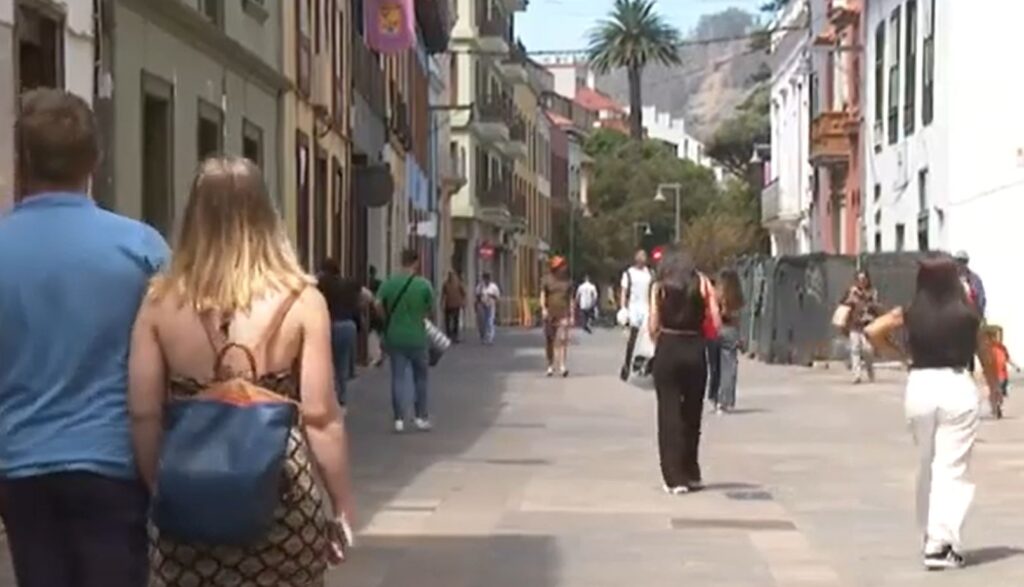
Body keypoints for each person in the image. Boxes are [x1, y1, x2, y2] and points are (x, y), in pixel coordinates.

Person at [128, 157, 355, 586]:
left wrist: (159, 485)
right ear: (267, 216)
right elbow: (322, 417)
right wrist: (341, 506)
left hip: (191, 500)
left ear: (193, 217)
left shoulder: (159, 303)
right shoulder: (302, 300)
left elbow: (143, 414)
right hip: (282, 497)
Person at [0, 89, 168, 587]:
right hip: (115, 462)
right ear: (96, 158)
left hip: (20, 464)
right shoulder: (141, 248)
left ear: (23, 158)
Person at [866, 254, 1001, 570]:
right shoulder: (969, 315)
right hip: (956, 387)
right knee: (951, 467)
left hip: (920, 386)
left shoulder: (911, 313)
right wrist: (994, 389)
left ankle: (929, 534)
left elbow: (873, 331)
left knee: (928, 463)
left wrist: (900, 355)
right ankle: (941, 545)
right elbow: (985, 353)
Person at [648, 247, 721, 495]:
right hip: (694, 348)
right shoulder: (702, 283)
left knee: (668, 413)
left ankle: (674, 477)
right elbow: (716, 320)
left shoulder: (660, 287)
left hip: (668, 347)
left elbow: (653, 324)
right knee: (692, 413)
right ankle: (692, 471)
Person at [377, 248, 435, 433]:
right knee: (421, 379)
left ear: (401, 261)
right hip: (418, 337)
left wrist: (386, 318)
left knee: (398, 377)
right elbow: (431, 308)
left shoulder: (389, 283)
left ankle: (399, 419)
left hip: (395, 336)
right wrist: (421, 316)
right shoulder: (424, 285)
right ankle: (420, 417)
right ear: (416, 263)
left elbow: (377, 304)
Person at [318, 258, 366, 408]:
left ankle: (328, 397)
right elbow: (367, 296)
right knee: (342, 364)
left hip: (328, 326)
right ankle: (342, 399)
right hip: (348, 325)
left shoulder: (321, 285)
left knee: (325, 363)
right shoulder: (349, 284)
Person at [713, 269, 745, 414]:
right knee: (729, 367)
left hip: (716, 329)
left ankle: (714, 396)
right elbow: (738, 317)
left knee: (715, 366)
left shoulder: (716, 294)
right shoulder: (737, 296)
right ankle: (724, 400)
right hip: (731, 330)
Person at [619, 249, 654, 381]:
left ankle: (645, 367)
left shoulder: (649, 273)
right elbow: (624, 291)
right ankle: (627, 365)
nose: (642, 258)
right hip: (634, 307)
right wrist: (623, 308)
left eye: (644, 256)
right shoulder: (628, 273)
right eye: (640, 256)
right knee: (632, 339)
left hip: (646, 307)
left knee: (648, 339)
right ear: (635, 258)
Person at [843, 270, 882, 384]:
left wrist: (864, 298)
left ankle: (870, 372)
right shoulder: (852, 291)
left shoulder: (872, 292)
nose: (861, 282)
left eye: (863, 279)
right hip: (854, 325)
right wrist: (850, 299)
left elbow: (876, 305)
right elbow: (844, 303)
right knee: (855, 350)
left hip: (867, 325)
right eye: (859, 279)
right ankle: (857, 376)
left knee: (868, 350)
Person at [541, 256, 574, 377]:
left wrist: (572, 314)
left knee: (563, 340)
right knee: (550, 340)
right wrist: (544, 309)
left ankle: (562, 366)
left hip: (563, 312)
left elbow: (571, 299)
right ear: (555, 268)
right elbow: (543, 295)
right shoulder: (547, 280)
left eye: (564, 265)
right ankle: (550, 365)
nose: (564, 268)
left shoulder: (568, 282)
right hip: (550, 313)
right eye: (561, 266)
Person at [985, 325, 1018, 404]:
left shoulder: (1003, 347)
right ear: (991, 337)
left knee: (1003, 387)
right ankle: (994, 401)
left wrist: (1015, 366)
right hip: (993, 373)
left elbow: (1007, 358)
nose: (999, 338)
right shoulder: (988, 348)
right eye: (996, 336)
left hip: (1003, 373)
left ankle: (999, 397)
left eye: (1000, 336)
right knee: (995, 388)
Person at [954, 251, 986, 317]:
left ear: (966, 262)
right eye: (958, 261)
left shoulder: (975, 278)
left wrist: (978, 313)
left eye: (963, 261)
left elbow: (981, 298)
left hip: (971, 315)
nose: (960, 263)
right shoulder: (952, 278)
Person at [475, 272, 501, 345]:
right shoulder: (480, 286)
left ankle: (490, 338)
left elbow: (497, 297)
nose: (486, 281)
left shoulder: (493, 287)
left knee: (490, 322)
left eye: (487, 279)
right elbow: (477, 296)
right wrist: (479, 301)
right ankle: (483, 337)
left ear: (489, 279)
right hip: (482, 305)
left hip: (491, 305)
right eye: (484, 279)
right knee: (482, 322)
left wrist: (491, 295)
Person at [442, 270, 467, 342]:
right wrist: (442, 303)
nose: (451, 277)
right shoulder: (446, 284)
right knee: (448, 320)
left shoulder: (458, 283)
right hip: (448, 304)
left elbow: (464, 293)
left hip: (456, 305)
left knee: (455, 320)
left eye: (452, 275)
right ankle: (449, 334)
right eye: (450, 275)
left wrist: (463, 302)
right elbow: (443, 294)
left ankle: (454, 335)